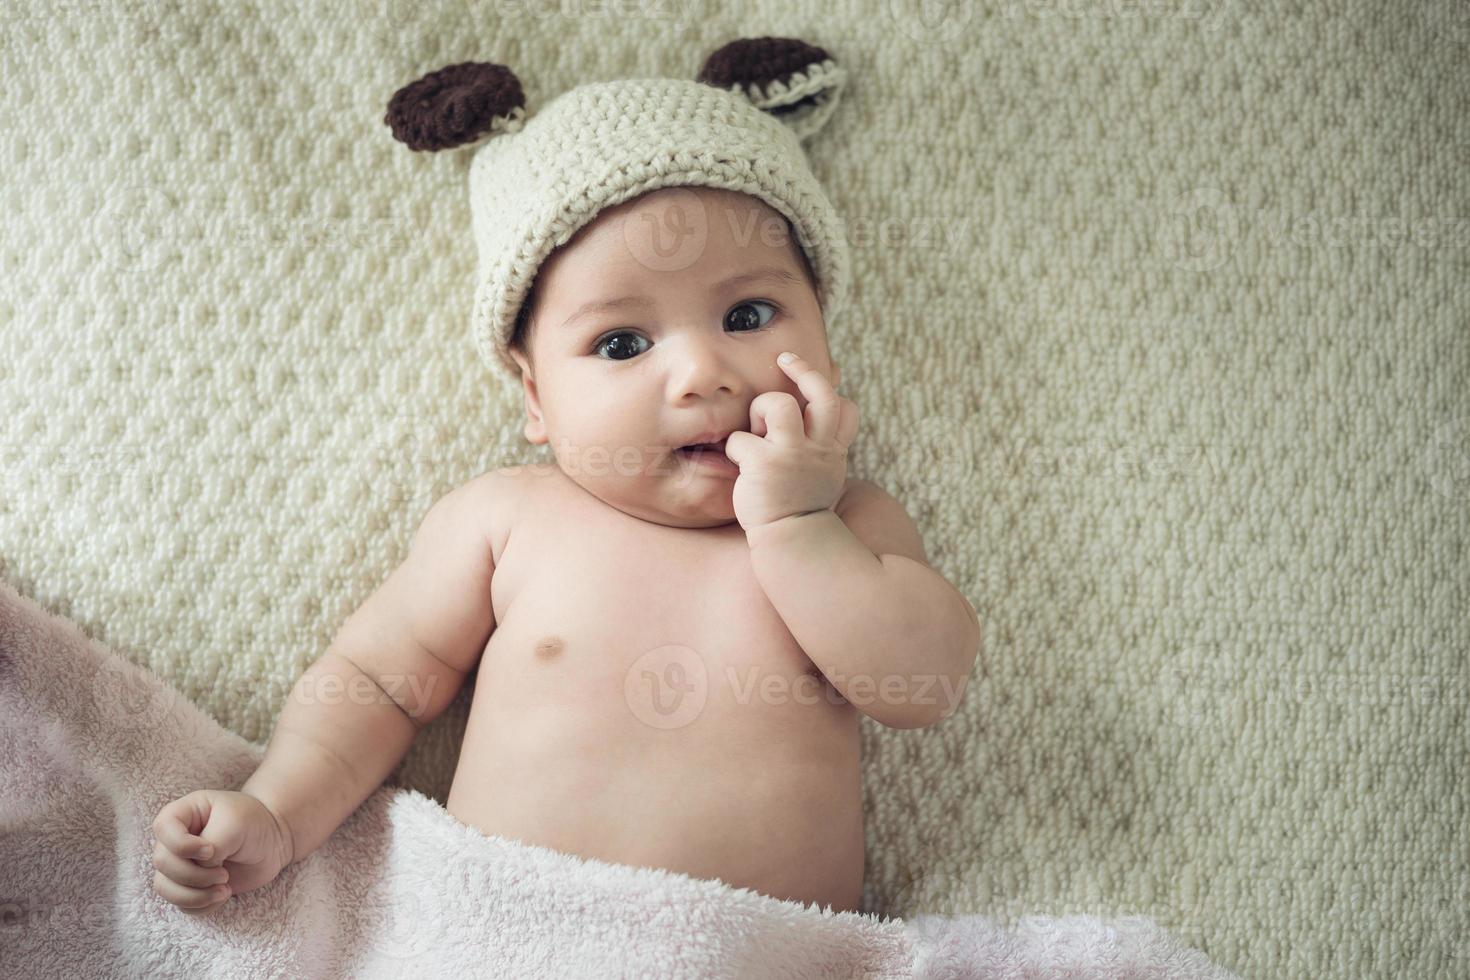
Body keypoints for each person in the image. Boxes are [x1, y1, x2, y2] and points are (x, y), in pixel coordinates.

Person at [150, 36, 980, 918]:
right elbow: (380, 680)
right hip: (509, 935)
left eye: (748, 314)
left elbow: (922, 687)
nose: (701, 372)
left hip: (766, 953)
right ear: (536, 395)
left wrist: (795, 525)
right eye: (622, 343)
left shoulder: (848, 523)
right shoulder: (509, 519)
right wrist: (278, 811)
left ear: (825, 339)